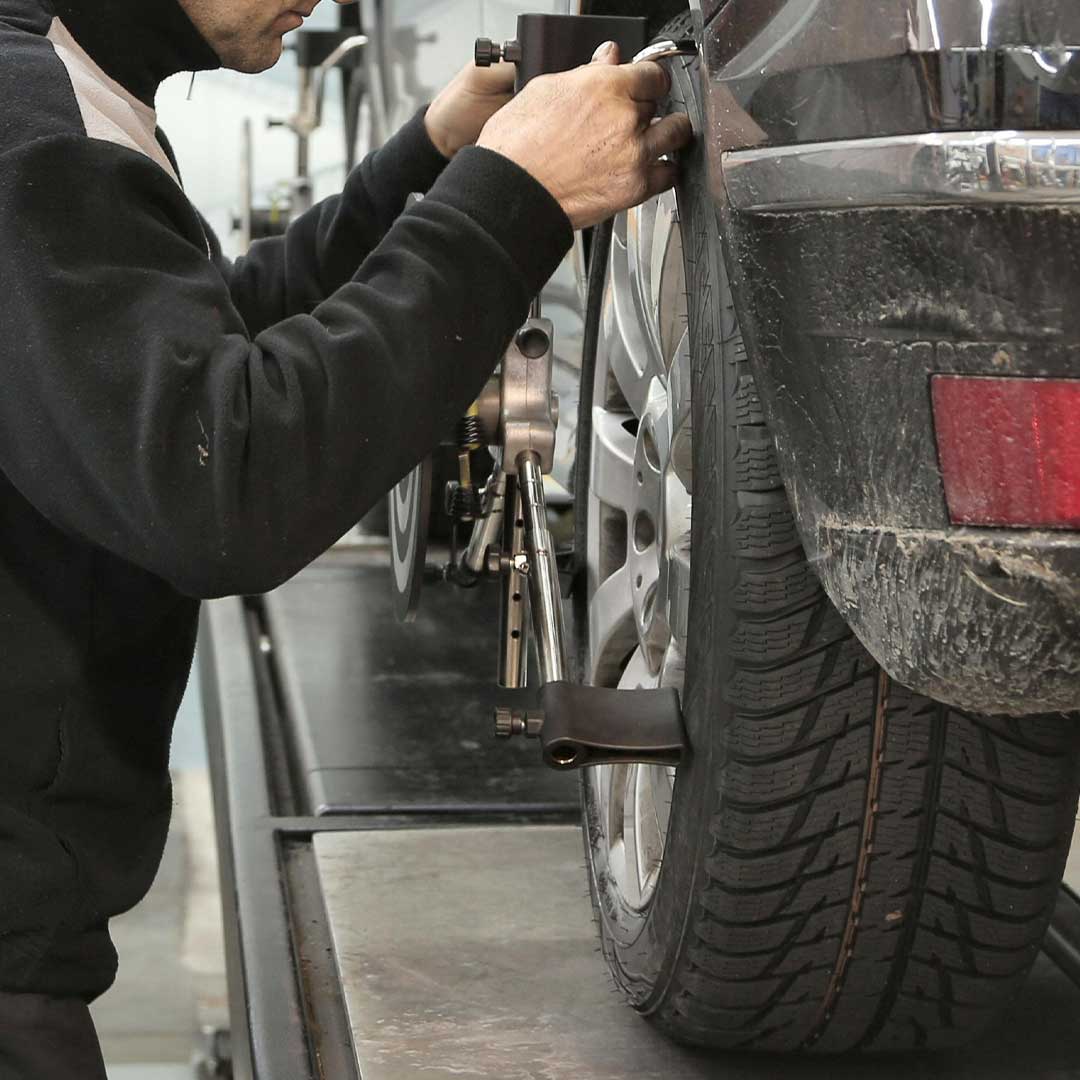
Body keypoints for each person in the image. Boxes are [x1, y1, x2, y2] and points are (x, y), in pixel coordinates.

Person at [0, 0, 692, 1073]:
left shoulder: (65, 92)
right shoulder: (26, 126)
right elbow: (219, 479)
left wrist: (434, 158)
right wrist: (511, 205)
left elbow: (215, 331)